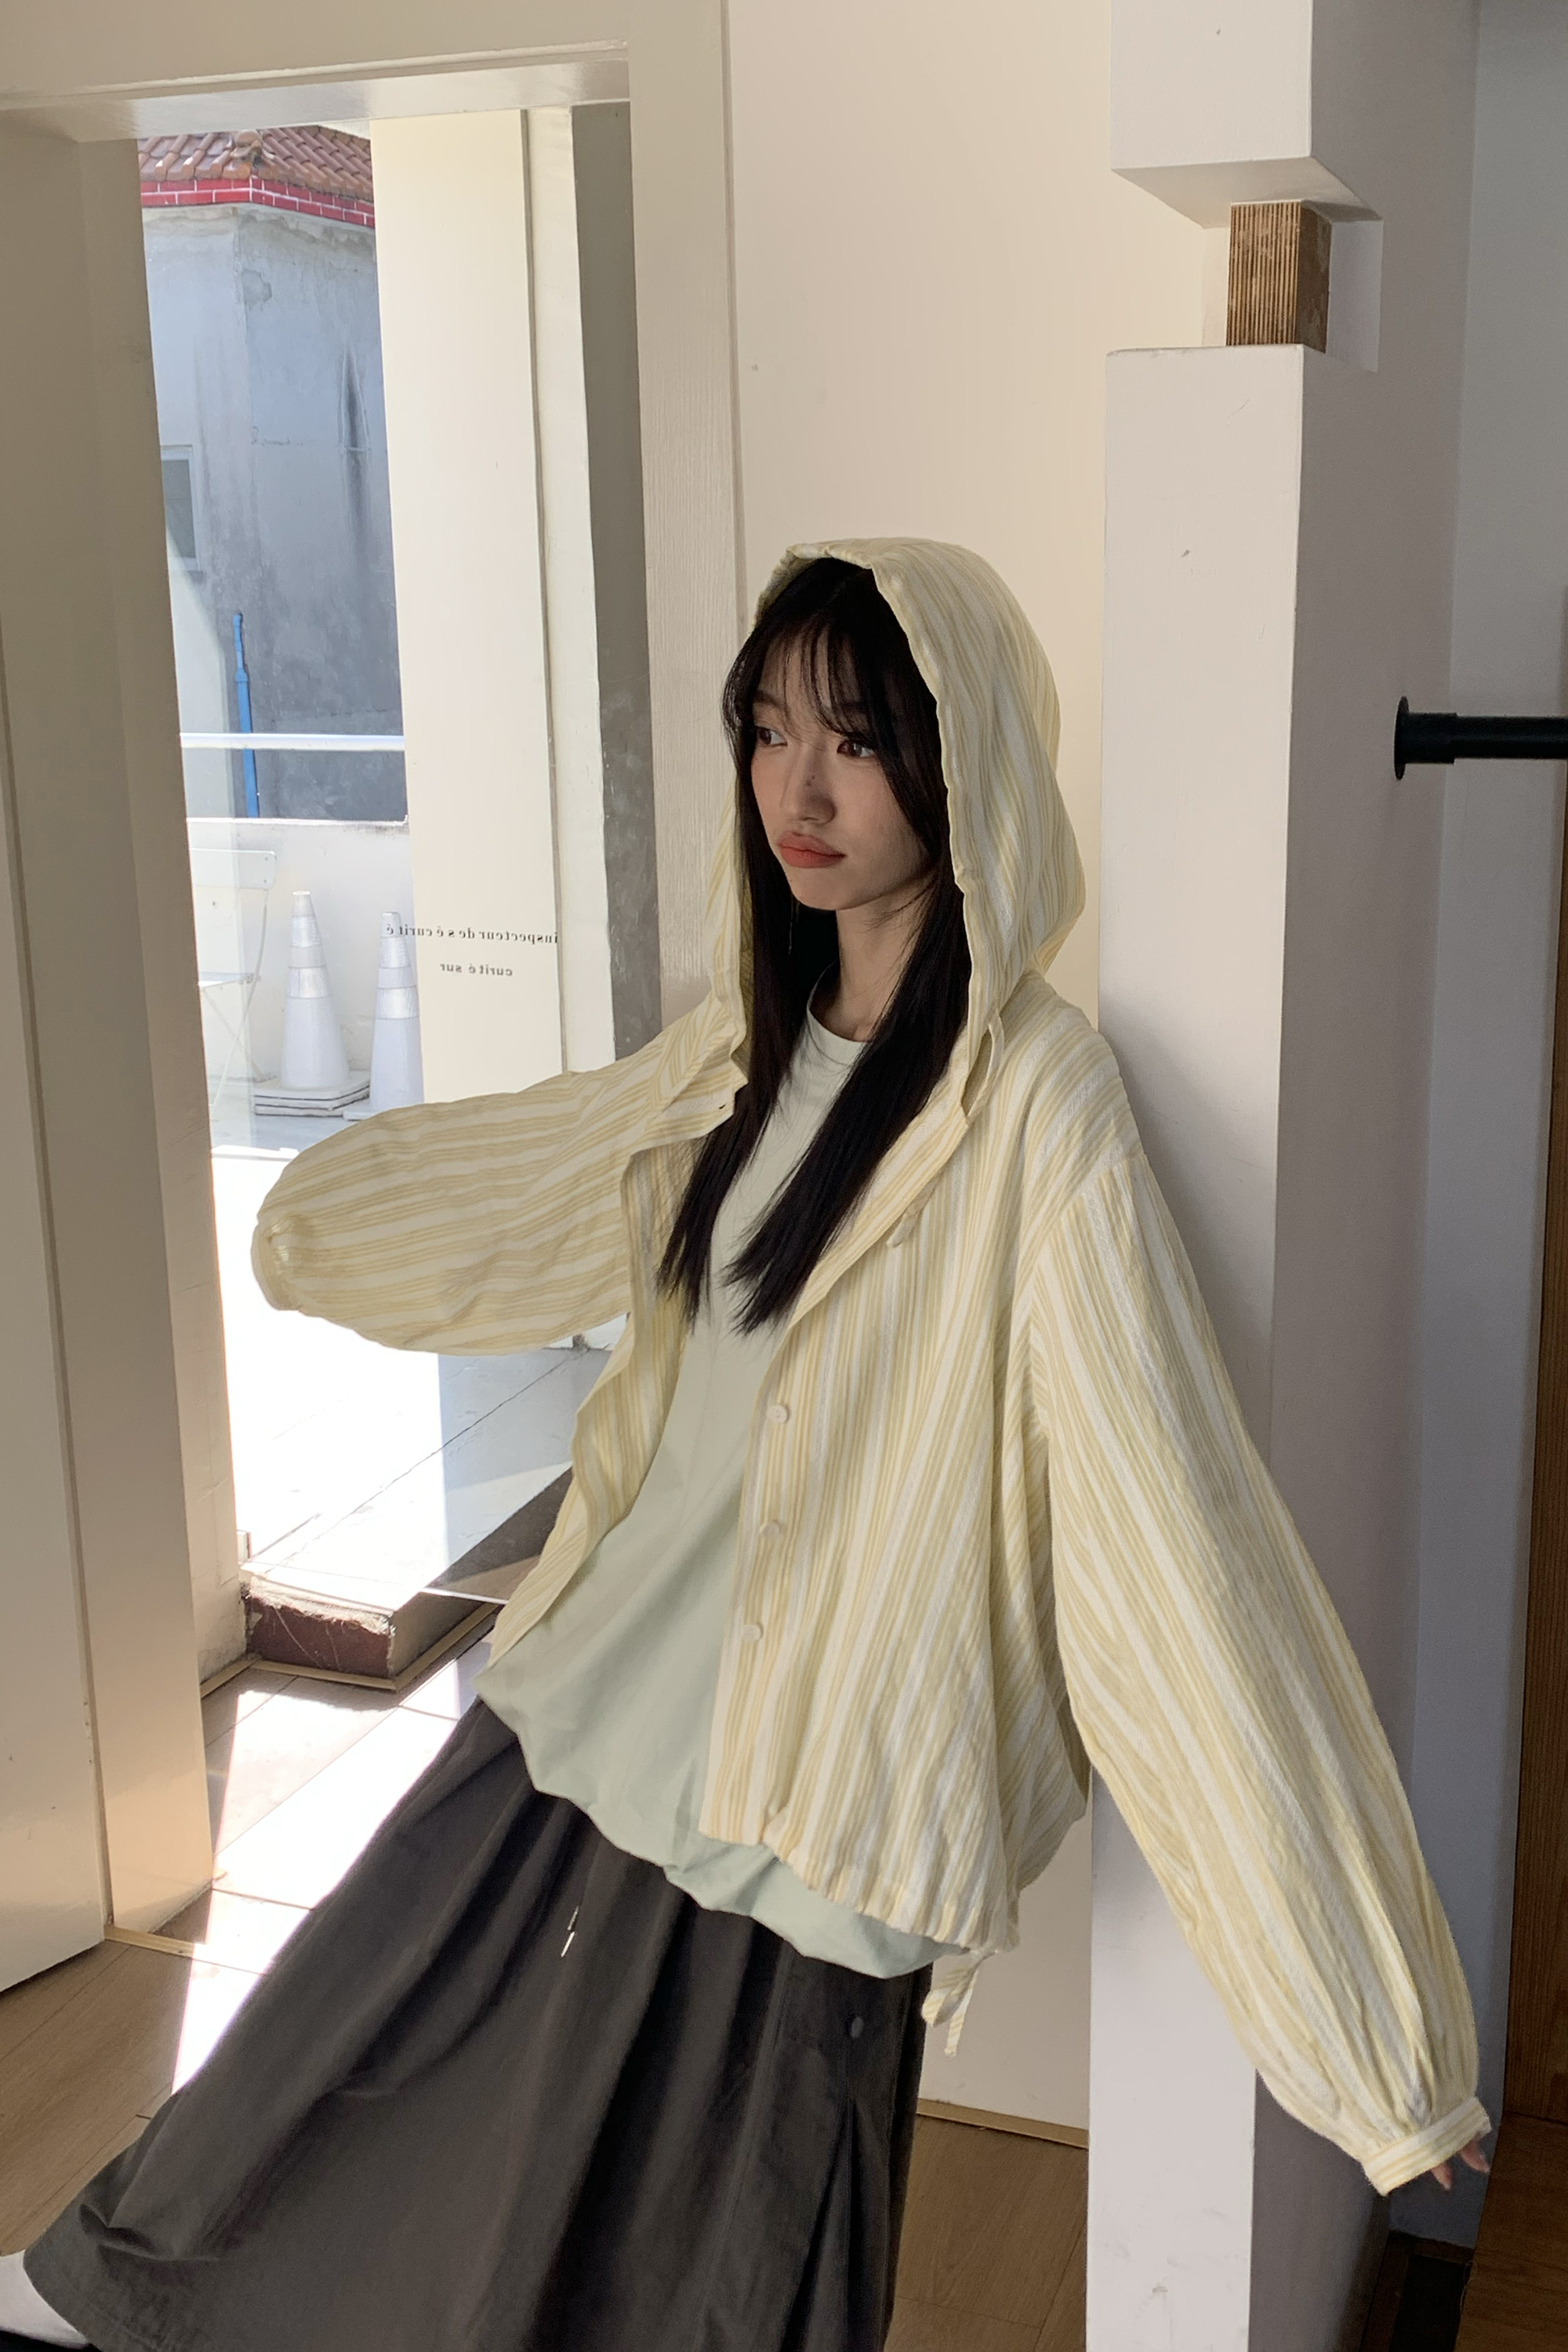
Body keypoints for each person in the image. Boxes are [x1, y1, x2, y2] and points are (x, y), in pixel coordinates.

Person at [5, 541, 1486, 2352]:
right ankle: (97, 2293)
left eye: (855, 740)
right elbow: (531, 1189)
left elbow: (1176, 1554)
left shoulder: (1039, 1107)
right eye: (769, 730)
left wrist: (1373, 2055)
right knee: (326, 2079)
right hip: (587, 1719)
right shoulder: (735, 1056)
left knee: (711, 2283)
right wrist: (298, 1225)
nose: (801, 787)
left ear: (958, 761)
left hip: (813, 1826)